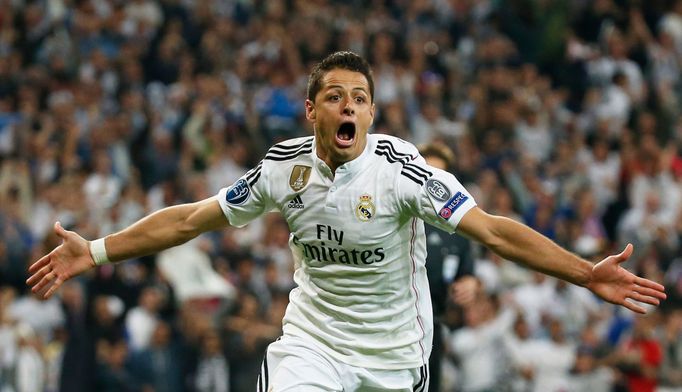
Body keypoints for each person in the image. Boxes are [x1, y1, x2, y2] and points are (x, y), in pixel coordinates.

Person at [27, 51, 666, 391]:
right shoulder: (283, 169)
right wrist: (100, 250)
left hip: (394, 360)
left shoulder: (403, 172)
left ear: (371, 111)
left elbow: (495, 231)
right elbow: (193, 220)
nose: (349, 107)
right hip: (314, 344)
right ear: (312, 111)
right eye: (336, 96)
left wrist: (586, 274)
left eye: (360, 98)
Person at [418, 143, 478, 392]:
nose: (432, 184)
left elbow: (467, 274)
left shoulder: (457, 230)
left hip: (433, 328)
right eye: (426, 174)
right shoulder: (397, 216)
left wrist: (470, 284)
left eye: (439, 177)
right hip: (391, 324)